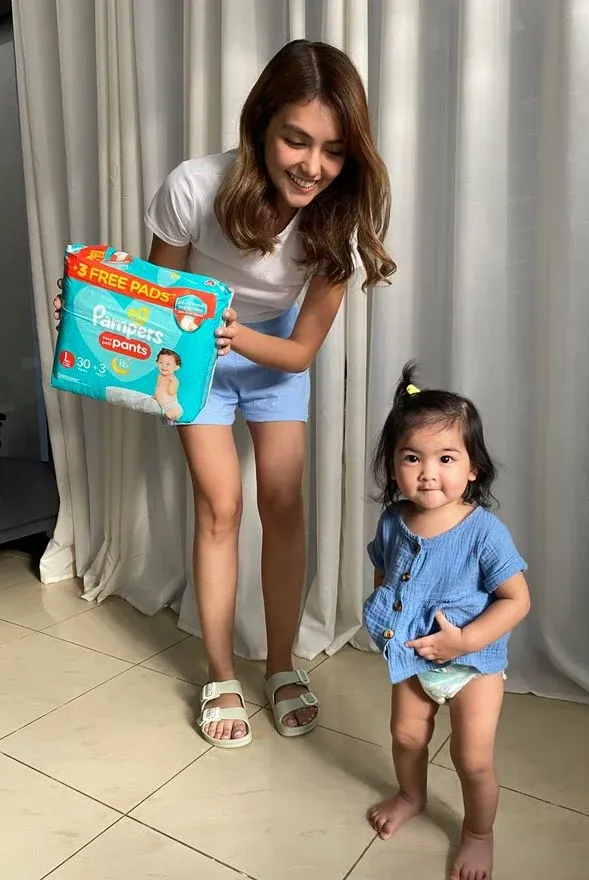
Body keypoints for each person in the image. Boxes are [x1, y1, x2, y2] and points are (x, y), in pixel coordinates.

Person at [54, 39, 395, 748]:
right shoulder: (193, 187)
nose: (312, 166)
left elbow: (299, 352)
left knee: (284, 504)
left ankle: (281, 663)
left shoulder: (339, 217)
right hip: (195, 359)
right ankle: (219, 673)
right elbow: (155, 306)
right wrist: (93, 313)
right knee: (221, 507)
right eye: (296, 140)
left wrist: (231, 332)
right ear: (261, 123)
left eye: (333, 150)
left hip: (270, 356)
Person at [365, 363, 530, 880]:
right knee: (406, 737)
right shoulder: (394, 520)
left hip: (473, 665)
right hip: (413, 657)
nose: (427, 472)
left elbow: (516, 600)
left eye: (446, 458)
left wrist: (466, 641)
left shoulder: (484, 532)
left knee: (471, 759)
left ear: (473, 467)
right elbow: (384, 571)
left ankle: (478, 834)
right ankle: (411, 795)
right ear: (393, 465)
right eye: (412, 457)